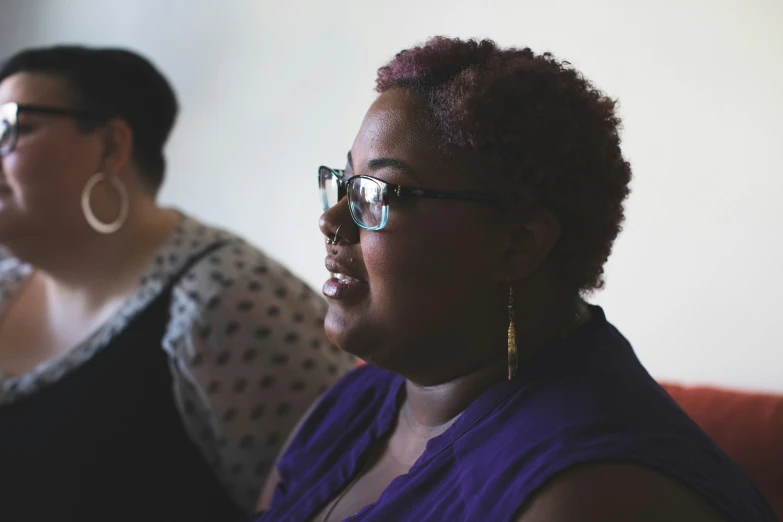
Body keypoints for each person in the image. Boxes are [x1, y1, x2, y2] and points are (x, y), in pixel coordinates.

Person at [254, 37, 778, 522]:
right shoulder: (360, 400)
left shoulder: (589, 494)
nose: (332, 221)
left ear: (519, 243)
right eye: (346, 183)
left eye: (378, 193)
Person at [0, 45, 354, 522]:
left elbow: (333, 495)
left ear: (111, 147)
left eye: (11, 128)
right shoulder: (6, 285)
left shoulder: (227, 298)